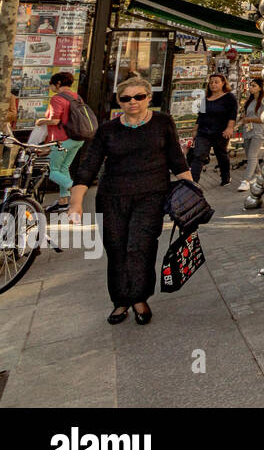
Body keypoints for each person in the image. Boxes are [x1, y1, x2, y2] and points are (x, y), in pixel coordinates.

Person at [69, 76, 191, 326]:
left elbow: (177, 159)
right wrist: (76, 202)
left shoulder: (163, 123)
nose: (132, 102)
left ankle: (139, 298)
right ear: (118, 101)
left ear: (148, 98)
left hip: (151, 195)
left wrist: (192, 192)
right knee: (116, 249)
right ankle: (120, 301)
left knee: (140, 246)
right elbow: (88, 166)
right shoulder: (107, 130)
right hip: (112, 197)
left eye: (138, 97)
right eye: (125, 98)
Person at [38, 72, 83, 212]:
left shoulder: (57, 99)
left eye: (51, 84)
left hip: (62, 140)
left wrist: (41, 121)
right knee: (63, 168)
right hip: (77, 139)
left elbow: (55, 120)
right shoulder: (76, 96)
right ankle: (63, 201)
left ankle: (75, 190)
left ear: (58, 84)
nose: (51, 87)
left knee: (52, 170)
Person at [189, 73, 237, 186]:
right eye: (211, 82)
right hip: (204, 132)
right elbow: (201, 116)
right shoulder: (205, 99)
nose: (213, 84)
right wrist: (195, 129)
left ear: (223, 83)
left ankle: (225, 177)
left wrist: (230, 128)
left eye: (216, 82)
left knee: (221, 155)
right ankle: (193, 182)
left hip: (220, 132)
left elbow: (232, 114)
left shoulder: (229, 97)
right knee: (198, 155)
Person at [237, 77, 264, 193]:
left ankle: (246, 180)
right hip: (248, 131)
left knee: (252, 155)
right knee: (250, 155)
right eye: (250, 85)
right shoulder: (250, 101)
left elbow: (263, 118)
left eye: (254, 86)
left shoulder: (263, 101)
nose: (251, 88)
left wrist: (249, 119)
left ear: (260, 88)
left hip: (258, 132)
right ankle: (258, 174)